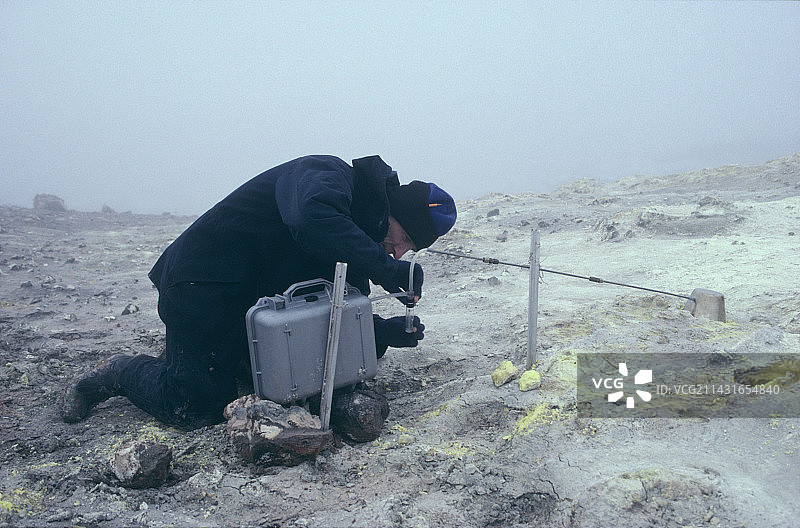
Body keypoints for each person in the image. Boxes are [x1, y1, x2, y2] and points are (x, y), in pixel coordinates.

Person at [61, 155, 457, 438]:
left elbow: (328, 312)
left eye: (409, 250)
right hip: (202, 286)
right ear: (392, 210)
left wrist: (379, 332)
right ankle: (119, 371)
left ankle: (191, 356)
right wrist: (386, 270)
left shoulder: (357, 242)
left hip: (251, 309)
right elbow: (309, 218)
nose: (399, 252)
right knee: (195, 406)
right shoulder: (328, 175)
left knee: (283, 380)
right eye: (405, 238)